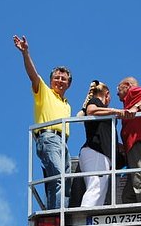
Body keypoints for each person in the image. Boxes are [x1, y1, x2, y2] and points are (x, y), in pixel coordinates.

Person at [13, 35, 72, 210]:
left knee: (64, 181)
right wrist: (25, 53)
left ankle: (59, 213)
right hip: (48, 138)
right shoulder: (44, 92)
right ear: (51, 80)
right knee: (59, 178)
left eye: (64, 78)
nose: (60, 80)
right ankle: (58, 215)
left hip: (63, 143)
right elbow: (33, 75)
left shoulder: (66, 104)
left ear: (69, 83)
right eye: (57, 77)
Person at [76, 80, 125, 207]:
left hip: (96, 153)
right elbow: (91, 110)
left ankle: (89, 221)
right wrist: (115, 111)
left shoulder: (102, 110)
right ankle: (84, 218)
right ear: (107, 94)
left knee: (99, 191)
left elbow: (105, 135)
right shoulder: (96, 102)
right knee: (96, 188)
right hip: (96, 152)